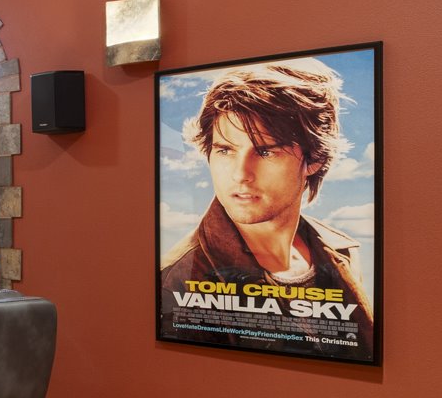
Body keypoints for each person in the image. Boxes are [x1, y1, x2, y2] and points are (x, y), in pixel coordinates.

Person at [159, 59, 373, 356]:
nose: (240, 174)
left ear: (314, 159)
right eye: (225, 150)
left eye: (265, 151)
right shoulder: (177, 278)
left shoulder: (342, 251)